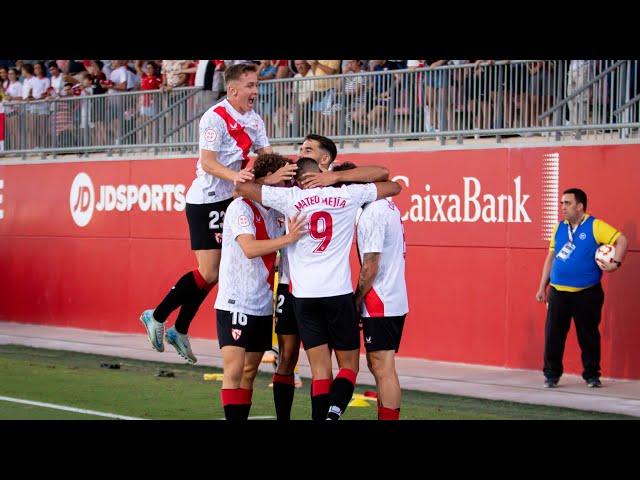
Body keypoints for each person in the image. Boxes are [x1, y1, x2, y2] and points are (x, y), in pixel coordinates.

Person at [235, 158, 401, 420]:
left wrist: (273, 176)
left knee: (320, 372)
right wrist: (334, 179)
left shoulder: (289, 197)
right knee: (348, 368)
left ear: (299, 179)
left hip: (304, 298)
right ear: (319, 173)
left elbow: (242, 189)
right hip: (338, 294)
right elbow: (392, 185)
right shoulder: (347, 194)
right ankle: (333, 414)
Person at [139, 63, 276, 364]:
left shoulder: (254, 120)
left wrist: (286, 172)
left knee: (215, 275)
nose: (255, 91)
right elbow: (208, 163)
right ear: (233, 89)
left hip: (232, 198)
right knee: (211, 272)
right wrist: (236, 176)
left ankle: (179, 328)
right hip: (208, 199)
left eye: (256, 85)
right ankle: (157, 315)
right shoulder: (214, 117)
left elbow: (268, 156)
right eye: (250, 85)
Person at [271, 135, 391, 421]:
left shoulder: (337, 188)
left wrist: (333, 177)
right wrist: (273, 176)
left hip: (308, 289)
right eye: (300, 148)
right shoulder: (289, 181)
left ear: (325, 160)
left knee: (319, 365)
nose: (300, 153)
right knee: (286, 357)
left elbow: (383, 173)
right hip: (291, 284)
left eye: (308, 150)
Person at [215, 153, 305, 421]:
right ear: (270, 182)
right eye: (283, 181)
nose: (287, 188)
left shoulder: (278, 212)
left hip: (263, 302)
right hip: (235, 301)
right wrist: (289, 239)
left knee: (250, 372)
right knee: (234, 370)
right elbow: (250, 248)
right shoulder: (241, 207)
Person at [334, 162, 409, 421]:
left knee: (382, 366)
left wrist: (356, 300)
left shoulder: (373, 212)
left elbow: (371, 264)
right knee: (379, 365)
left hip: (381, 300)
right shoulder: (385, 206)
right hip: (390, 297)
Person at [535, 188, 628, 388]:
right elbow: (551, 257)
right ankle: (551, 375)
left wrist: (616, 263)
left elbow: (622, 240)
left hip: (587, 293)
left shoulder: (595, 226)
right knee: (553, 335)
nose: (563, 207)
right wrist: (543, 286)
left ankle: (592, 375)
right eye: (561, 203)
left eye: (567, 203)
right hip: (558, 292)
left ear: (580, 206)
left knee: (588, 335)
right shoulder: (559, 227)